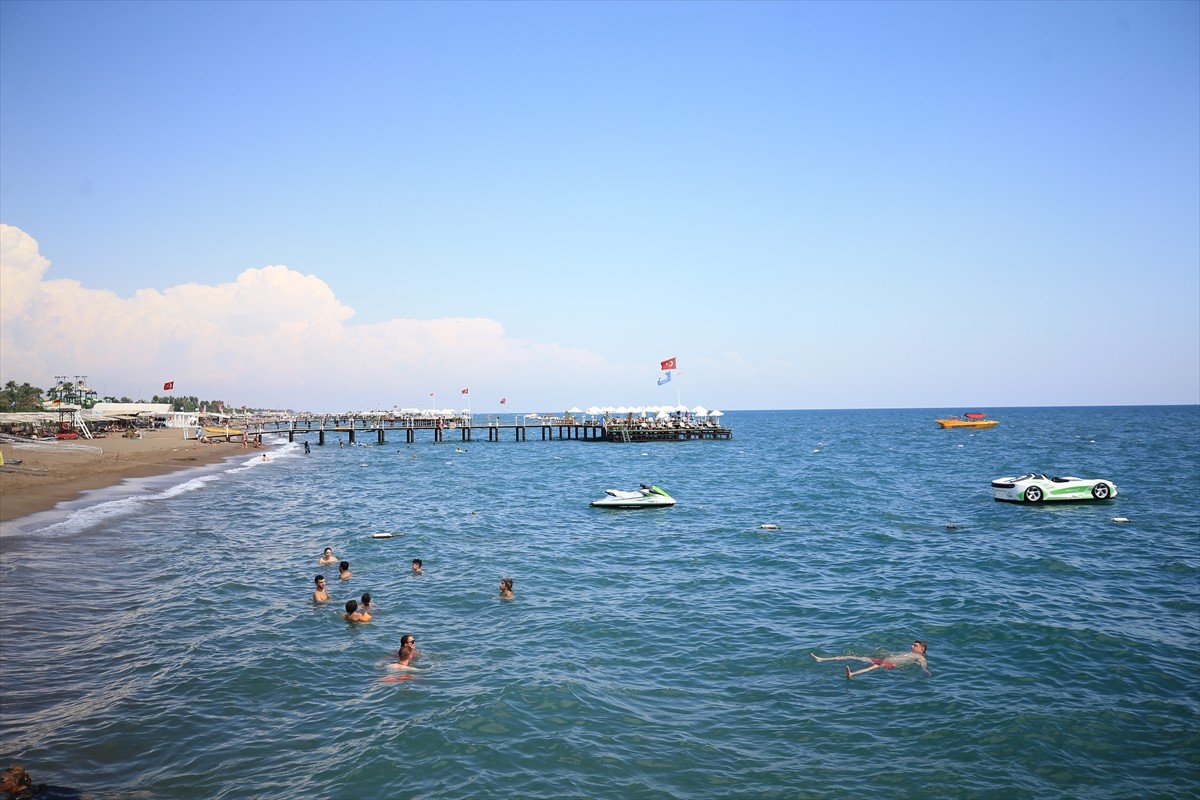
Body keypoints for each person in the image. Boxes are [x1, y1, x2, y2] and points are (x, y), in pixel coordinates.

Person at [811, 641, 931, 679]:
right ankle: (822, 659)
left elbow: (923, 665)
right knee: (853, 657)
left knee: (873, 667)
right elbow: (893, 654)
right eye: (912, 644)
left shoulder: (919, 657)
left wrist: (925, 671)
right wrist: (882, 652)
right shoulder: (907, 652)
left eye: (915, 646)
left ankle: (852, 674)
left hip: (890, 665)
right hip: (882, 659)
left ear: (921, 649)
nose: (912, 646)